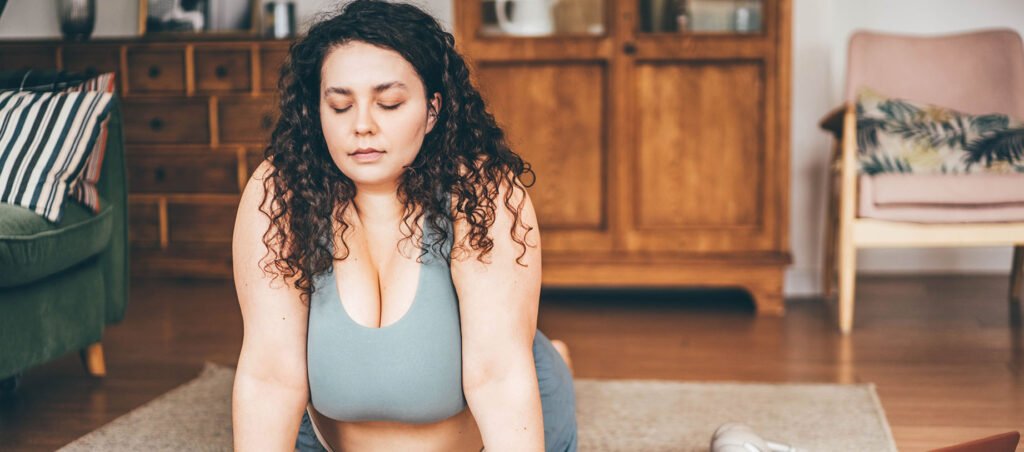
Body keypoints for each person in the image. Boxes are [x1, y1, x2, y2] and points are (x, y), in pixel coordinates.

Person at [230, 1, 578, 451]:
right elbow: (270, 377)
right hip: (327, 439)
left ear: (433, 110)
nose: (362, 126)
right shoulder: (280, 190)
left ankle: (553, 358)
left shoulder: (481, 191)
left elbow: (500, 377)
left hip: (498, 421)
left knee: (525, 357)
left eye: (389, 103)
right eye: (339, 106)